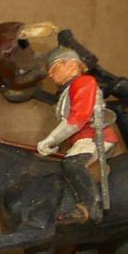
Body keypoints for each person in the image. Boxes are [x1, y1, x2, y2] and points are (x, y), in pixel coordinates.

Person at [37, 46, 119, 223]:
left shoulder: (84, 83)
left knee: (73, 164)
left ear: (71, 65)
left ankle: (92, 207)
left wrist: (50, 140)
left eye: (54, 68)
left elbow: (78, 119)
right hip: (81, 140)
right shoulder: (67, 91)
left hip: (94, 137)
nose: (50, 74)